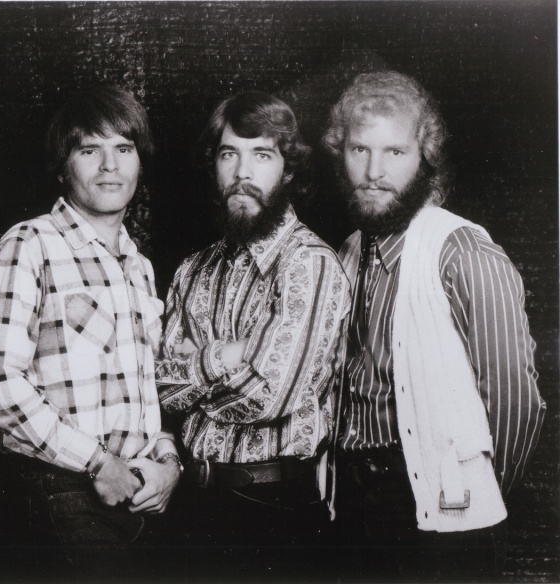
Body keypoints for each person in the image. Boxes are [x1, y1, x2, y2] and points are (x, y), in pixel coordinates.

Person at [323, 70, 546, 582]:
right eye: (359, 149)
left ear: (425, 158)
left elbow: (515, 398)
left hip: (446, 513)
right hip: (355, 505)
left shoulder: (461, 250)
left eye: (395, 152)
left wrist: (481, 489)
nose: (373, 171)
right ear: (341, 153)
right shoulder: (348, 251)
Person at [0, 85, 181, 581]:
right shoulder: (30, 244)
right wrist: (98, 462)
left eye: (123, 149)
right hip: (61, 493)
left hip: (137, 497)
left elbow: (148, 392)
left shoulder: (140, 267)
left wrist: (168, 463)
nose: (110, 165)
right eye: (89, 150)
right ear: (63, 167)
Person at [154, 92, 351, 580]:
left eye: (261, 155)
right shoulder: (192, 270)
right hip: (191, 507)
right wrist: (230, 356)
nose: (242, 173)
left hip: (275, 512)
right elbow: (159, 388)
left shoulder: (309, 264)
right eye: (229, 154)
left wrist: (197, 363)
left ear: (288, 170)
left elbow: (267, 396)